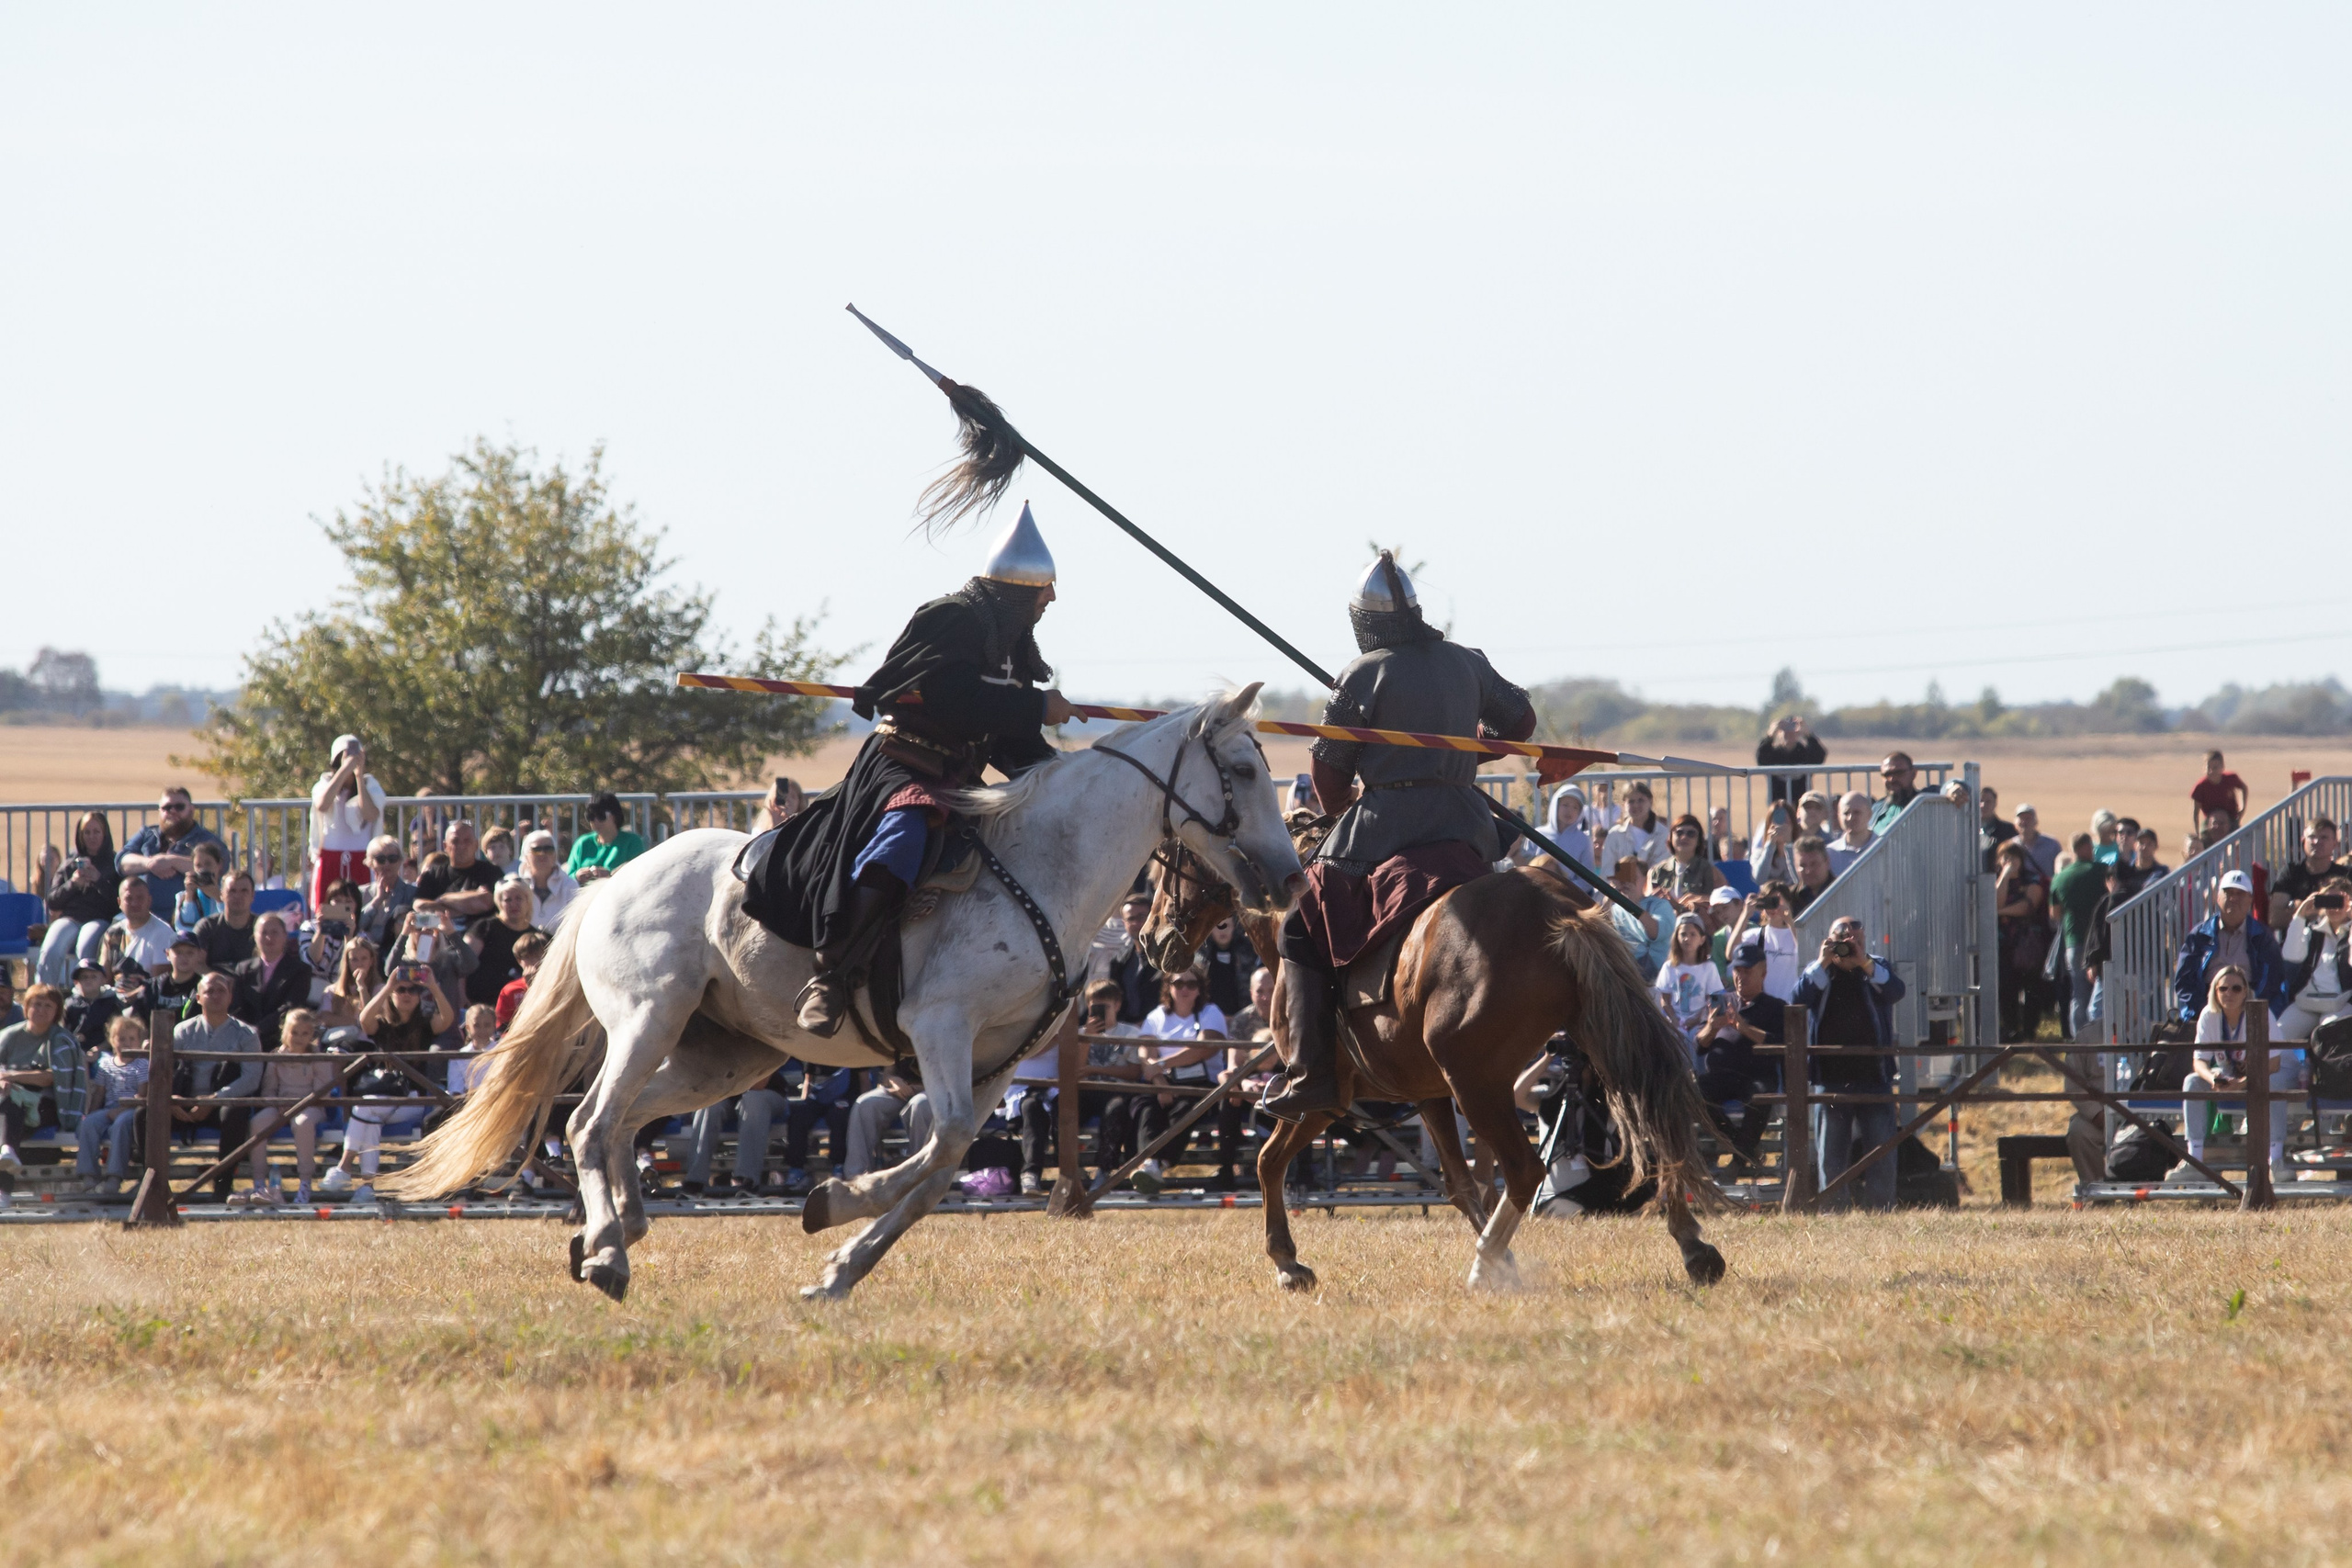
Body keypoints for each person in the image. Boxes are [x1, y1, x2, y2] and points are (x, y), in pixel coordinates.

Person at [763, 504, 1075, 1036]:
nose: (1051, 598)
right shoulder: (951, 618)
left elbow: (1005, 737)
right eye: (1044, 588)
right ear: (1017, 590)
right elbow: (953, 700)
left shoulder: (1013, 641)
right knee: (907, 834)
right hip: (905, 762)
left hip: (960, 778)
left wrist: (1063, 776)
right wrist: (1034, 707)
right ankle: (832, 976)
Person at [1271, 548, 1536, 1118]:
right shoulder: (1467, 661)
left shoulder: (1364, 672)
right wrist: (1467, 750)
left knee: (1299, 926)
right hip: (1467, 824)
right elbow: (1522, 723)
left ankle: (1312, 1075)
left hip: (1384, 828)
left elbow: (1327, 772)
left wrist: (1349, 806)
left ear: (1364, 622)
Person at [1788, 915, 1907, 1211]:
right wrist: (1824, 963)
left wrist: (1864, 963)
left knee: (1881, 1148)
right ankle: (1833, 1211)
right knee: (1831, 1152)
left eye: (1857, 940)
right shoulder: (1820, 970)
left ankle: (1882, 1210)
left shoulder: (1876, 966)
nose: (1850, 946)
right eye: (1844, 941)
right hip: (1830, 1076)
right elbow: (1797, 999)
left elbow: (1896, 991)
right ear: (1830, 941)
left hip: (1874, 1074)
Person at [2168, 964, 2297, 1182]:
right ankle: (2194, 1159)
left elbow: (2274, 1063)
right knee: (2192, 1081)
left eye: (2236, 988)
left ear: (2245, 991)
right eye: (2223, 989)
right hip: (2233, 1073)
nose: (2229, 994)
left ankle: (2275, 1160)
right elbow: (2199, 1062)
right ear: (2215, 992)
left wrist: (2243, 1083)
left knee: (2271, 1084)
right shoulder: (2209, 1015)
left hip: (2276, 1070)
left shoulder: (2260, 1011)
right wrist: (2214, 1079)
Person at [170, 972, 262, 1203]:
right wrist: (171, 1099)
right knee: (144, 1114)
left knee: (236, 1112)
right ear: (199, 997)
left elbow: (251, 1078)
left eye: (222, 990)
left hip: (220, 1105)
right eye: (210, 991)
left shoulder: (247, 1034)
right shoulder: (181, 1031)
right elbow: (163, 1072)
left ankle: (223, 1186)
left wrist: (214, 1099)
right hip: (182, 1105)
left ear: (231, 997)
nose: (216, 995)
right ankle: (154, 1185)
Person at [235, 1008, 341, 1207]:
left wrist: (299, 1105)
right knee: (258, 1122)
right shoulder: (277, 1057)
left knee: (302, 1123)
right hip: (280, 1105)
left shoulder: (318, 1057)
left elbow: (322, 1091)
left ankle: (305, 1182)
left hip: (311, 1105)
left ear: (312, 1035)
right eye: (294, 1032)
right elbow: (269, 1089)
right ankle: (259, 1182)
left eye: (305, 1033)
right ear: (285, 1032)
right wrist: (276, 1103)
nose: (299, 1038)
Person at [1694, 938, 1785, 1163]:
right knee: (1693, 1091)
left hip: (1756, 1076)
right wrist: (1711, 1027)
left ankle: (1738, 1158)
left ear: (1762, 973)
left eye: (1747, 971)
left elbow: (1780, 1045)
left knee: (1761, 1095)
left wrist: (1744, 1029)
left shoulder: (1776, 1007)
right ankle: (1740, 1147)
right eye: (1737, 970)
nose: (1740, 976)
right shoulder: (1722, 1002)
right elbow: (1699, 1046)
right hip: (1722, 1076)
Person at [0, 984, 85, 1193]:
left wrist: (10, 1076)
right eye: (37, 1004)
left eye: (48, 1006)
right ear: (27, 1006)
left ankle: (4, 1190)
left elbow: (52, 1078)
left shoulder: (60, 1040)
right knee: (9, 1115)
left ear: (57, 1012)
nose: (41, 1010)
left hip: (47, 1105)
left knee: (9, 1116)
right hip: (8, 1101)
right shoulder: (9, 1035)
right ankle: (6, 1164)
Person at [2172, 869, 2287, 1022]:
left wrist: (2250, 1010)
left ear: (2250, 900)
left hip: (2249, 1009)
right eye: (2228, 892)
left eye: (2240, 894)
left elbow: (2272, 981)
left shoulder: (2263, 936)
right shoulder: (2199, 935)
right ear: (2218, 897)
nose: (2233, 898)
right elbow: (2184, 981)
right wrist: (2204, 1009)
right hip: (2206, 1008)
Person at [34, 811, 118, 985]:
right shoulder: (71, 862)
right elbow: (53, 900)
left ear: (105, 834)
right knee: (51, 948)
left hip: (99, 919)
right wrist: (73, 884)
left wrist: (99, 880)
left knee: (85, 947)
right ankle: (43, 994)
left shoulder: (113, 863)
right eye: (86, 832)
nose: (91, 837)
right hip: (71, 918)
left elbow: (117, 903)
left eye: (96, 832)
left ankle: (81, 997)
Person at [75, 1012, 150, 1196]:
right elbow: (99, 1092)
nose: (126, 1042)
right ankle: (88, 1174)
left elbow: (143, 1094)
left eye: (132, 1038)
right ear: (112, 1040)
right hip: (109, 1109)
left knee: (121, 1124)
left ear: (140, 1041)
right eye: (121, 1038)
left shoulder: (141, 1064)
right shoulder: (106, 1064)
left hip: (132, 1109)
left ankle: (114, 1177)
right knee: (89, 1123)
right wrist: (91, 1113)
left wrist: (122, 1109)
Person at [309, 736, 387, 909]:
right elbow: (322, 804)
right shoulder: (324, 783)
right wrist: (344, 770)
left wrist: (359, 777)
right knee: (326, 908)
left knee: (362, 907)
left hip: (362, 859)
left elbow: (371, 814)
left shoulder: (370, 785)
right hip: (331, 858)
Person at [116, 787, 226, 908]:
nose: (172, 811)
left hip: (187, 914)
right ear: (160, 811)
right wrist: (150, 863)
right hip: (142, 914)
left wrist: (171, 861)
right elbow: (121, 861)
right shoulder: (147, 834)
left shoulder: (205, 839)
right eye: (166, 808)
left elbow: (220, 866)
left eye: (179, 807)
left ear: (191, 810)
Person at [2273, 881, 2352, 1042]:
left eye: (2339, 901)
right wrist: (2299, 916)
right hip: (2308, 1002)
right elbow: (2290, 956)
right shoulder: (2313, 932)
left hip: (2341, 1003)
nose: (2334, 907)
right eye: (2329, 901)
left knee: (2329, 1035)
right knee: (2278, 1035)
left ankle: (2316, 1067)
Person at [2049, 834, 2110, 1043]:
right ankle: (2104, 1038)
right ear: (2086, 847)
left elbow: (2055, 914)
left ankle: (2081, 1043)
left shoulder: (2060, 877)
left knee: (2078, 994)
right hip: (2102, 941)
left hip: (2073, 941)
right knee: (2103, 991)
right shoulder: (2102, 871)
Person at [1993, 840, 2052, 1042]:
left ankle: (2029, 1030)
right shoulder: (1997, 880)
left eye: (2013, 858)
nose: (2009, 861)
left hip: (2027, 942)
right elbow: (1995, 900)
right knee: (2005, 988)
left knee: (2031, 988)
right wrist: (2005, 876)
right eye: (2005, 857)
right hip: (2003, 942)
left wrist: (2000, 912)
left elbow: (2028, 906)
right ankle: (2010, 1029)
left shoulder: (2032, 879)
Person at [231, 911, 311, 1049]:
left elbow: (291, 1006)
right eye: (263, 933)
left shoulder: (300, 970)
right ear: (255, 937)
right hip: (243, 1038)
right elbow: (236, 1006)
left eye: (275, 932)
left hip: (280, 1039)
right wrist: (246, 1032)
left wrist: (259, 1029)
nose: (269, 938)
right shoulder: (242, 969)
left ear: (285, 936)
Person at [1653, 913, 1726, 1052]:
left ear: (1702, 939)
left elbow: (1712, 999)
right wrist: (1674, 1019)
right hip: (1675, 1021)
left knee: (1697, 1042)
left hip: (1700, 1021)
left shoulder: (1708, 968)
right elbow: (1665, 999)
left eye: (1693, 934)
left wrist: (1697, 1019)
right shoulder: (1669, 967)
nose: (1687, 939)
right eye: (1683, 934)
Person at [464, 878, 542, 1009]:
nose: (514, 904)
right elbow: (462, 965)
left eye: (519, 899)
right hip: (483, 1008)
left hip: (522, 1007)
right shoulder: (484, 928)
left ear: (528, 901)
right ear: (499, 903)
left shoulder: (537, 937)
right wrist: (461, 996)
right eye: (508, 900)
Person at [1721, 883, 1802, 1000]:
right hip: (1765, 1007)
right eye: (1769, 902)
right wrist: (1745, 914)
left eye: (1777, 901)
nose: (1773, 907)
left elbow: (1808, 954)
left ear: (1789, 903)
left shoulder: (1797, 933)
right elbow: (1731, 954)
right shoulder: (1756, 935)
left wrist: (1789, 920)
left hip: (1793, 1007)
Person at [415, 820, 501, 931]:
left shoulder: (491, 872)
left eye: (467, 841)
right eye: (455, 841)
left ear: (476, 845)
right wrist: (468, 903)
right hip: (440, 936)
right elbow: (419, 905)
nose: (461, 846)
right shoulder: (432, 875)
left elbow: (485, 902)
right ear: (445, 846)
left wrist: (443, 898)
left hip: (479, 937)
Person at [2268, 817, 2343, 931]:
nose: (2317, 842)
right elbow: (2275, 918)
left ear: (2335, 844)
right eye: (2312, 837)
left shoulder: (2345, 874)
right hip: (2295, 941)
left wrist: (2300, 908)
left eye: (2324, 837)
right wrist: (2318, 910)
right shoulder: (2291, 872)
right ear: (2303, 840)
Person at [1604, 855, 1672, 976]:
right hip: (1625, 973)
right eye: (1623, 877)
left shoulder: (1660, 905)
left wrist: (1633, 903)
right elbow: (1599, 928)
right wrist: (1609, 897)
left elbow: (1655, 933)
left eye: (1632, 877)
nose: (1626, 882)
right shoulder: (1614, 909)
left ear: (1645, 880)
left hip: (1655, 975)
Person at [1102, 894, 1161, 1024]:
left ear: (1154, 918)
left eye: (1141, 917)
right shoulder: (1119, 961)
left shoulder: (1167, 959)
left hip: (1159, 1031)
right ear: (1124, 924)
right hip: (1126, 1031)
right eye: (1131, 919)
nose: (1136, 923)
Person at [355, 837, 417, 951]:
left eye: (392, 858)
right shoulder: (361, 893)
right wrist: (377, 900)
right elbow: (355, 927)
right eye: (381, 859)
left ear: (400, 861)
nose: (387, 864)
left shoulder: (412, 893)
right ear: (371, 862)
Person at [190, 867, 258, 972]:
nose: (238, 896)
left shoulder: (263, 928)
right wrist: (219, 982)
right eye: (232, 891)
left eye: (244, 891)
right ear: (221, 895)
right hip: (214, 985)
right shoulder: (207, 926)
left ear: (253, 895)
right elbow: (197, 963)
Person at [1600, 782, 1669, 874]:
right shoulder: (1615, 834)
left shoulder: (1663, 834)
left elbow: (1662, 870)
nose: (1636, 805)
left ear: (1650, 801)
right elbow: (1607, 871)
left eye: (1641, 800)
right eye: (1631, 801)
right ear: (1624, 804)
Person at [516, 830, 581, 930]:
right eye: (536, 850)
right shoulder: (516, 885)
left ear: (555, 855)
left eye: (548, 849)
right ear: (526, 856)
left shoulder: (570, 886)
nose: (542, 854)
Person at [1198, 915, 1260, 1020]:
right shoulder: (1200, 955)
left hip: (1242, 1014)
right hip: (1207, 1015)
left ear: (1234, 927)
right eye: (1218, 926)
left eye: (1227, 926)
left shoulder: (1248, 952)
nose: (1223, 931)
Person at [1754, 714, 1825, 803]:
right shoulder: (1772, 754)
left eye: (1793, 731)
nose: (1789, 735)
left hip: (1802, 804)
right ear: (1779, 733)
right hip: (1778, 804)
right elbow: (1760, 757)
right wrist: (1770, 735)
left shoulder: (1804, 753)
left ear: (1798, 733)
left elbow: (1819, 756)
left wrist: (1809, 735)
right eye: (1785, 731)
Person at [1656, 815, 1723, 908]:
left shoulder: (1710, 871)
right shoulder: (1658, 871)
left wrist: (1704, 899)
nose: (1684, 837)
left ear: (1699, 840)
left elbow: (1724, 902)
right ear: (1670, 838)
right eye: (1679, 833)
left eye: (1691, 834)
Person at [62, 961, 123, 1054]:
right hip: (74, 1049)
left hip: (104, 1050)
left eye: (94, 977)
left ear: (103, 980)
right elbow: (62, 1030)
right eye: (84, 977)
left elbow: (117, 1032)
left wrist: (99, 1049)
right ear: (76, 982)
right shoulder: (70, 1004)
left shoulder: (112, 1003)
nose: (88, 980)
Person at [2191, 750, 2250, 844]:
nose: (2211, 771)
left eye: (2215, 767)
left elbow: (2244, 788)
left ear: (2222, 767)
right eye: (2208, 767)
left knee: (2240, 841)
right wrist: (2198, 832)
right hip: (2210, 822)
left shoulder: (2231, 778)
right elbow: (2195, 812)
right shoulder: (2201, 786)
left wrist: (2242, 809)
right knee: (2203, 843)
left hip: (2231, 819)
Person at [172, 841, 227, 934]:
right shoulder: (183, 897)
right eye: (198, 865)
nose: (203, 869)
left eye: (208, 864)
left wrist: (218, 898)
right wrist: (189, 896)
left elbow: (232, 924)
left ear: (219, 865)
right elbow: (182, 928)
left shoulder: (229, 894)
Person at [1748, 800, 1801, 888]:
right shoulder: (1759, 854)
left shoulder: (1800, 854)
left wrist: (1788, 846)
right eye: (1777, 821)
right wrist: (1770, 845)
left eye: (1786, 822)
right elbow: (1759, 879)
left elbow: (1799, 881)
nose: (1781, 827)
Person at [1869, 752, 1920, 835]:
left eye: (1899, 773)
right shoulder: (1877, 808)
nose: (1892, 779)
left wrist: (1949, 790)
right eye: (1887, 774)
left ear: (1913, 774)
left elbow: (1945, 788)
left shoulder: (1925, 802)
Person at [1825, 792, 1875, 876]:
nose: (1851, 818)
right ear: (1838, 816)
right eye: (1846, 813)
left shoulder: (1883, 847)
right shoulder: (1829, 853)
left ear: (1869, 815)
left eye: (1857, 812)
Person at [1788, 837, 1836, 918]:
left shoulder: (1841, 890)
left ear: (1827, 862)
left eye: (1814, 864)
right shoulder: (1789, 897)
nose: (1808, 871)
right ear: (1795, 866)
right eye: (1802, 865)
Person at [1978, 785, 2017, 873]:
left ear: (1995, 804)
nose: (1983, 805)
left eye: (1988, 802)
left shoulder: (2007, 830)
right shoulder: (1967, 830)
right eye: (1980, 801)